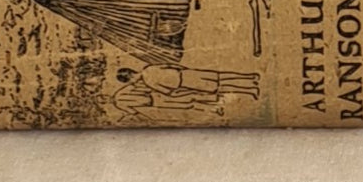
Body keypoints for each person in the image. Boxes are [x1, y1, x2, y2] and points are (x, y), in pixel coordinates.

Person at [111, 64, 260, 119]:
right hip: (186, 74)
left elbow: (168, 92)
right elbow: (171, 65)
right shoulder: (149, 68)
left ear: (130, 76)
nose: (133, 83)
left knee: (218, 86)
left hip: (185, 82)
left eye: (130, 81)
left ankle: (250, 89)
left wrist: (180, 91)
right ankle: (250, 77)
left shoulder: (149, 82)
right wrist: (183, 71)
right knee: (219, 77)